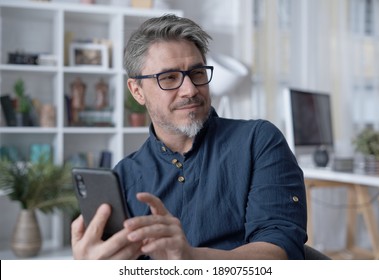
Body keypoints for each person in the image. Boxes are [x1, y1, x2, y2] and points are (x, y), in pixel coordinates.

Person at [71, 14, 307, 260]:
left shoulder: (258, 142)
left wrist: (189, 259)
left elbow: (279, 254)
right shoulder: (124, 177)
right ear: (137, 91)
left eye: (197, 73)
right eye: (169, 78)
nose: (190, 89)